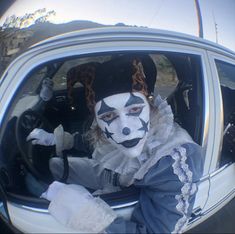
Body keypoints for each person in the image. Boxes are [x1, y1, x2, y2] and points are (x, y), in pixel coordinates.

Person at [27, 54, 203, 233]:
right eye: (109, 116)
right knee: (54, 165)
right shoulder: (112, 133)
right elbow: (101, 144)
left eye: (134, 109)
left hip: (122, 182)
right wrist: (60, 140)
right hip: (115, 174)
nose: (124, 128)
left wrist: (85, 213)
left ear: (149, 106)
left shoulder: (173, 163)